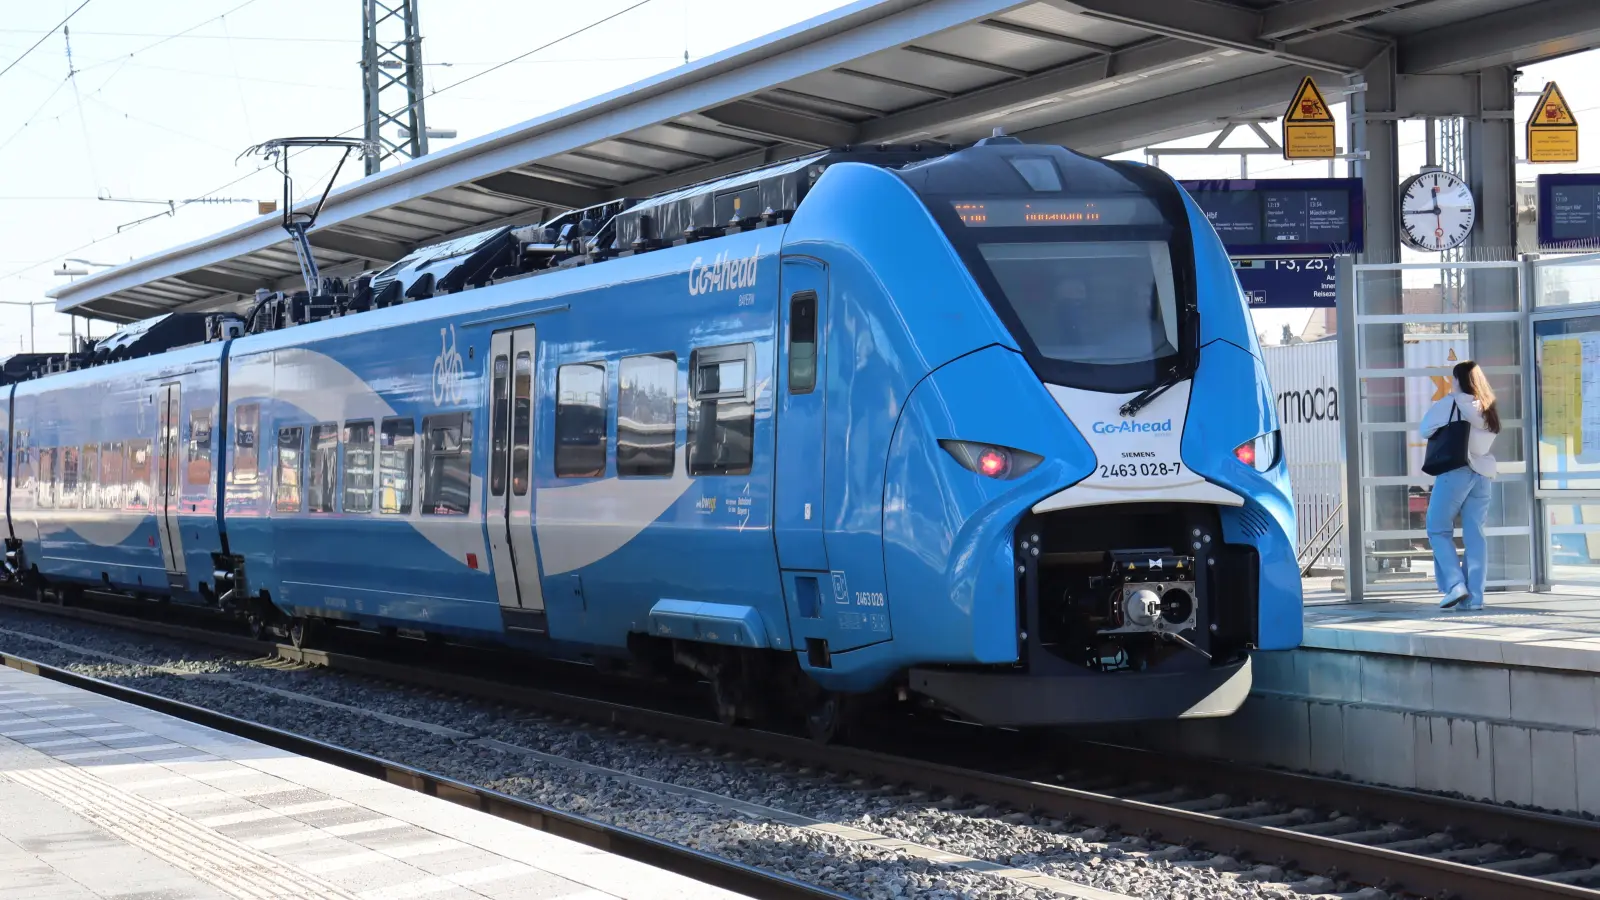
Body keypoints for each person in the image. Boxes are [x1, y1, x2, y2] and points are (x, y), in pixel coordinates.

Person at [1419, 360, 1500, 610]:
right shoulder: (1488, 407)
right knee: (1475, 534)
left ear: (1459, 380)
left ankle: (1455, 584)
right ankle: (1475, 598)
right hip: (1483, 473)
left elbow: (1424, 429)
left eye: (1454, 378)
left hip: (1455, 470)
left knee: (1437, 529)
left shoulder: (1451, 403)